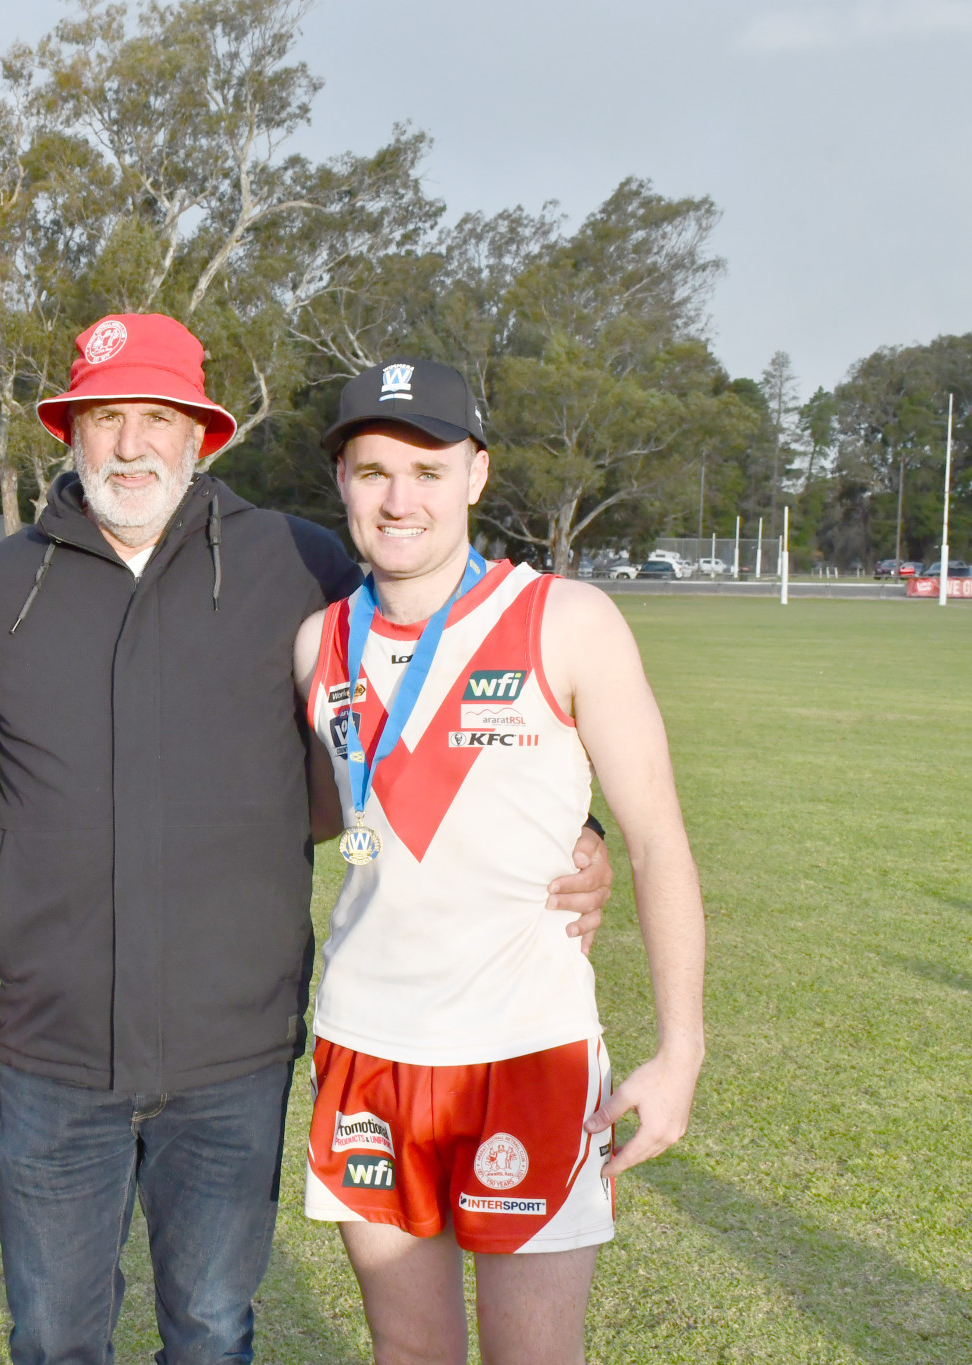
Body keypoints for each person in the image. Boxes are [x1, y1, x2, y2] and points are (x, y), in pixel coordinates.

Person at [0, 314, 614, 1365]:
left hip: (231, 1053)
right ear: (68, 433)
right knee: (50, 1339)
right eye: (103, 419)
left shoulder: (296, 561)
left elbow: (431, 694)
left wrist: (574, 827)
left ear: (201, 435)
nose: (129, 445)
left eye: (155, 418)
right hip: (51, 1050)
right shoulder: (3, 585)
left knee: (212, 1330)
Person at [293, 360, 706, 1364]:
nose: (399, 499)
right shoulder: (316, 644)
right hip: (365, 1051)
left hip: (526, 1052)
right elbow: (333, 818)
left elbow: (653, 840)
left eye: (428, 471)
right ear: (341, 482)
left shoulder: (566, 620)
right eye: (371, 470)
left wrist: (679, 1049)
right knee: (409, 1354)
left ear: (475, 475)